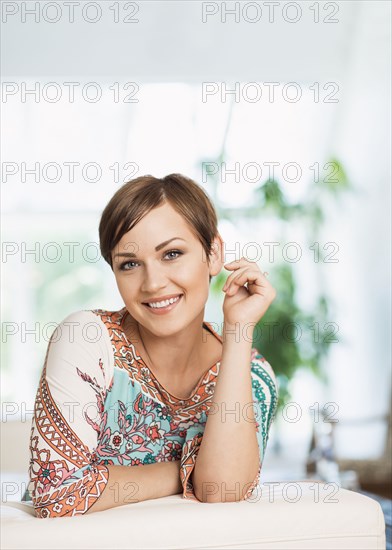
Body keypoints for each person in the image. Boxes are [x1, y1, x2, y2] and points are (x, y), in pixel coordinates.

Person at [26, 173, 279, 518]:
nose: (153, 283)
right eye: (130, 264)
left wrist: (238, 332)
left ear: (214, 252)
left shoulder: (253, 374)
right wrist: (187, 470)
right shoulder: (85, 339)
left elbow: (222, 489)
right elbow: (57, 494)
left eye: (172, 254)